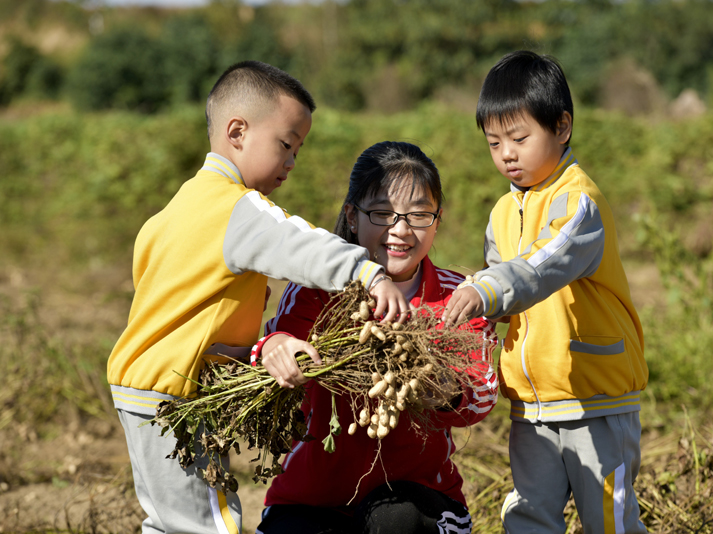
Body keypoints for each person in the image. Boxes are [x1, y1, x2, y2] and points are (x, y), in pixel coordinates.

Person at [107, 61, 409, 534]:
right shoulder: (237, 208)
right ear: (237, 132)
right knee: (209, 526)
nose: (292, 163)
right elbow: (300, 241)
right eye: (286, 145)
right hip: (177, 395)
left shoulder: (171, 212)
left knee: (169, 522)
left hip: (138, 390)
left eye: (298, 150)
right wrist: (366, 272)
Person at [442, 50, 649, 533]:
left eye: (519, 138)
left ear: (561, 127)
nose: (506, 154)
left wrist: (484, 289)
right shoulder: (500, 212)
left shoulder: (579, 203)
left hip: (593, 399)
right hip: (531, 407)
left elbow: (539, 265)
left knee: (610, 522)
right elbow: (501, 292)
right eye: (494, 143)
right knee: (529, 517)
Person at [254, 141, 498, 534]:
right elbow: (276, 341)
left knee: (392, 520)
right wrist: (274, 348)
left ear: (438, 220)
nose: (401, 230)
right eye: (383, 213)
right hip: (312, 499)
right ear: (352, 215)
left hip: (419, 502)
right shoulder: (316, 288)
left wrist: (448, 392)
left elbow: (483, 395)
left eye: (419, 215)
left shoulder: (460, 297)